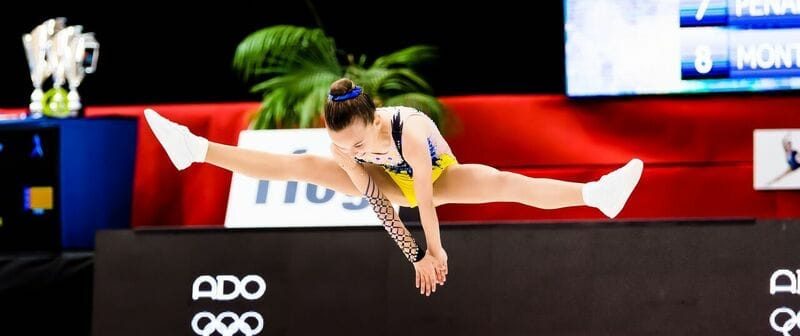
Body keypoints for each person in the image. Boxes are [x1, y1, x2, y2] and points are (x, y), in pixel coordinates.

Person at [143, 78, 644, 297]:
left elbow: (425, 196)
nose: (352, 151)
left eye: (357, 142)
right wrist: (414, 256)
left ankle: (595, 195)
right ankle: (198, 149)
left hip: (435, 175)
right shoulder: (344, 142)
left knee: (501, 181)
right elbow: (379, 201)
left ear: (375, 120)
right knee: (299, 166)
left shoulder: (413, 126)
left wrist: (435, 249)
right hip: (392, 185)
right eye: (345, 146)